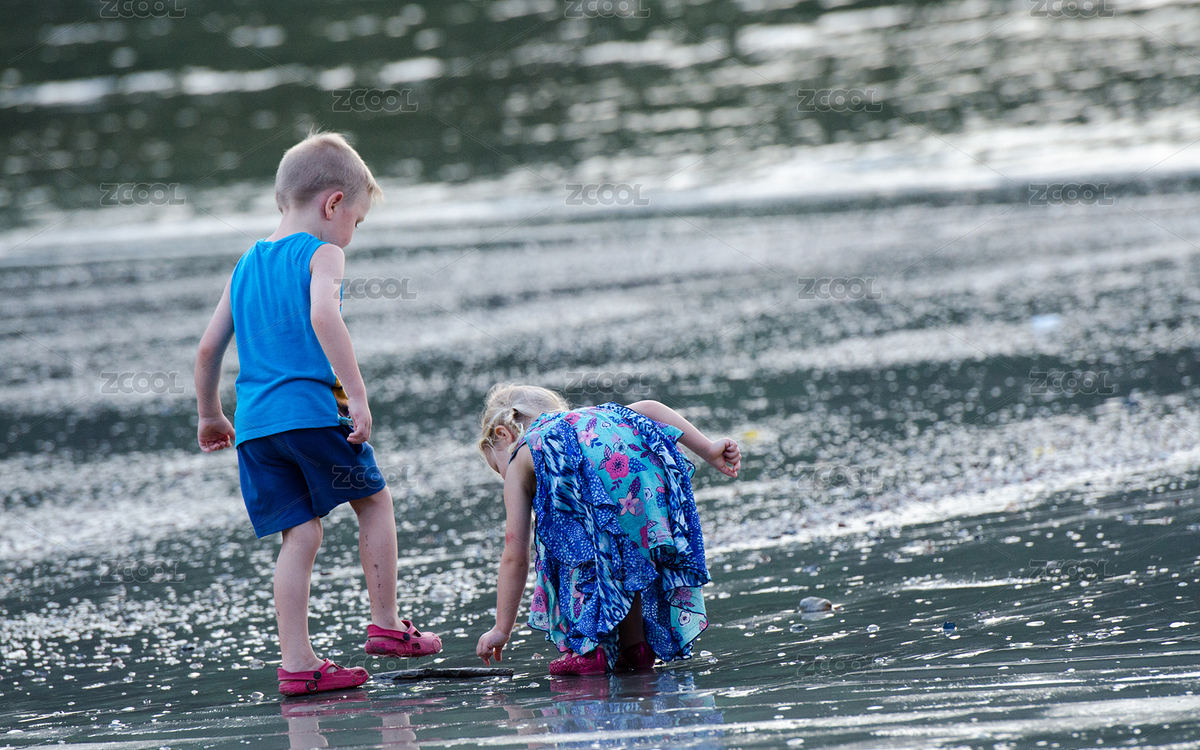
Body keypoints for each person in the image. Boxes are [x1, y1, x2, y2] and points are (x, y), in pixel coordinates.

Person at [193, 131, 441, 696]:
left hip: (256, 430)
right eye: (356, 219)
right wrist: (356, 394)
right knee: (373, 500)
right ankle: (385, 625)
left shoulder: (245, 264)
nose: (352, 233)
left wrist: (210, 414)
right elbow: (326, 318)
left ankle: (299, 665)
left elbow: (208, 349)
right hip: (310, 414)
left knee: (298, 536)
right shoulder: (323, 252)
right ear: (333, 204)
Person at [474, 384, 740, 675]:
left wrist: (502, 628)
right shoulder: (598, 417)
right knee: (626, 554)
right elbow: (649, 408)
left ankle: (588, 651)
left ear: (503, 434)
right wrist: (708, 448)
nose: (503, 474)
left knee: (569, 549)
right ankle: (635, 647)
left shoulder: (525, 451)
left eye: (496, 467)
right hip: (642, 491)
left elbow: (515, 553)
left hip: (599, 496)